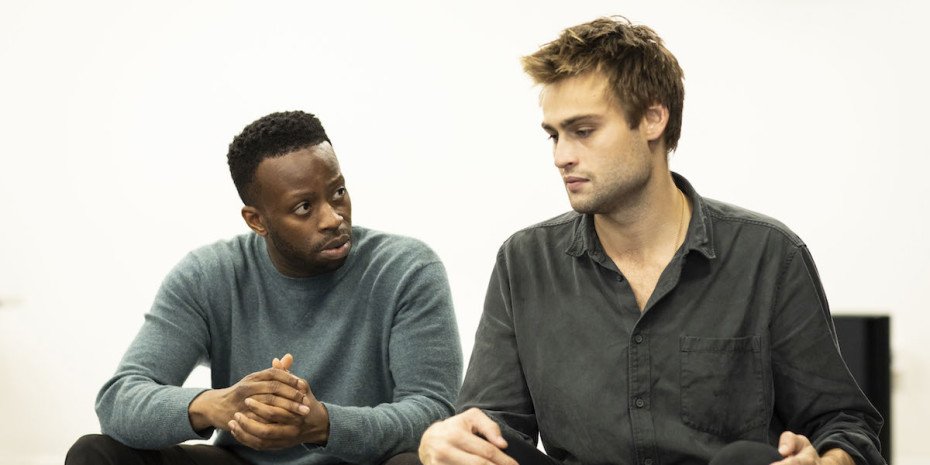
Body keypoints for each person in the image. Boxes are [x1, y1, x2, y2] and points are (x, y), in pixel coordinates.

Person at [418, 16, 884, 465]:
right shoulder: (524, 261)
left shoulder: (768, 255)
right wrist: (452, 440)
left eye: (583, 131)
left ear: (653, 119)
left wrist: (829, 460)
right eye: (554, 136)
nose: (562, 156)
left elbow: (845, 425)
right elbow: (494, 426)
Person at [66, 111, 463, 465]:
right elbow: (119, 400)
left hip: (359, 461)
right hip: (243, 460)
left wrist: (323, 424)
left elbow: (435, 412)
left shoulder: (406, 269)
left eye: (338, 192)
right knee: (96, 453)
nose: (332, 217)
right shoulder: (208, 275)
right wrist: (216, 405)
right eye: (304, 207)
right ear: (256, 220)